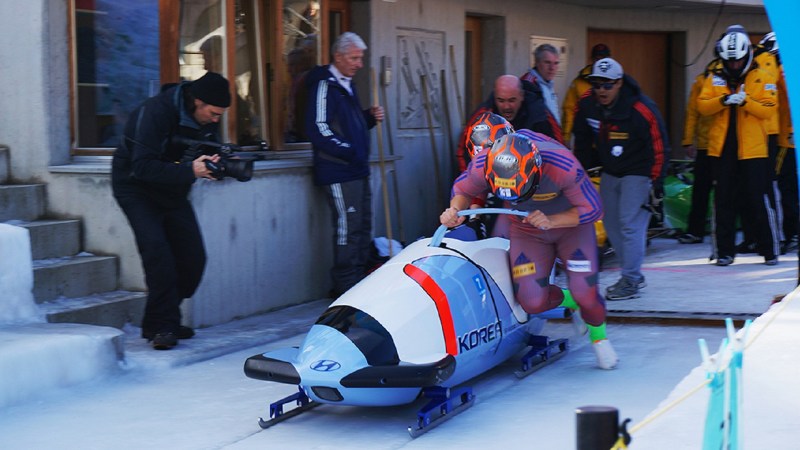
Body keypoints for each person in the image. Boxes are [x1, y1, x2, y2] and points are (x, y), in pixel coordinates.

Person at [440, 131, 617, 369]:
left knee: (586, 293)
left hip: (571, 228)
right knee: (532, 301)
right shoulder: (483, 163)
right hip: (528, 229)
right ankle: (570, 300)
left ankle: (599, 336)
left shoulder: (561, 165)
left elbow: (594, 209)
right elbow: (463, 191)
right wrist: (454, 211)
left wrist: (553, 220)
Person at [111, 71, 231, 350]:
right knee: (158, 252)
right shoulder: (155, 112)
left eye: (220, 115)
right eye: (213, 114)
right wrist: (191, 170)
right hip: (135, 186)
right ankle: (162, 326)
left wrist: (219, 164)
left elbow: (206, 152)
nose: (216, 120)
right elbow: (142, 166)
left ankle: (163, 319)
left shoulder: (206, 118)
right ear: (197, 102)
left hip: (172, 189)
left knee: (193, 258)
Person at [573, 58, 668, 301]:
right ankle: (633, 274)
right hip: (611, 170)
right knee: (612, 225)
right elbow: (581, 139)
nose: (602, 90)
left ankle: (631, 279)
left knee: (629, 224)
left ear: (619, 83)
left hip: (639, 170)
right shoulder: (586, 104)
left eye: (608, 85)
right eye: (597, 84)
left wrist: (656, 183)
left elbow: (659, 145)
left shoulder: (641, 109)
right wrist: (578, 175)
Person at [304, 32, 384, 298]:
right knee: (347, 227)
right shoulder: (324, 85)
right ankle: (344, 286)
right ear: (338, 57)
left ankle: (358, 281)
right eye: (354, 58)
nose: (359, 63)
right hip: (338, 170)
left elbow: (347, 125)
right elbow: (318, 127)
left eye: (360, 58)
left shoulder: (347, 84)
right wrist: (349, 151)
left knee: (362, 225)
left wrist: (368, 118)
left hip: (356, 168)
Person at [697, 27, 779, 267]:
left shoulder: (762, 76)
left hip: (754, 151)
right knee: (723, 201)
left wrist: (747, 102)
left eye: (738, 61)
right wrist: (723, 100)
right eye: (729, 61)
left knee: (758, 200)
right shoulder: (715, 77)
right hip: (722, 150)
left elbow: (768, 109)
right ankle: (724, 252)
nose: (734, 65)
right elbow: (702, 106)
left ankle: (769, 250)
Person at [456, 74, 562, 173]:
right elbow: (463, 151)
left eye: (512, 100)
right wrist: (471, 182)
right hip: (493, 181)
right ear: (495, 97)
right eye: (501, 101)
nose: (507, 107)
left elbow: (559, 150)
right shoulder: (482, 116)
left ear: (522, 96)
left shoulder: (540, 115)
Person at [676, 62, 716, 245]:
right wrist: (687, 140)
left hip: (730, 148)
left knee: (732, 193)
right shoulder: (702, 80)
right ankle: (695, 231)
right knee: (700, 191)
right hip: (705, 146)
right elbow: (692, 113)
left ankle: (741, 235)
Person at [561, 43, 611, 146]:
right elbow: (569, 110)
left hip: (608, 140)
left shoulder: (615, 82)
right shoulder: (578, 82)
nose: (600, 63)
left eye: (604, 59)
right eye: (597, 59)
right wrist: (566, 136)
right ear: (592, 60)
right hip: (585, 140)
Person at [521, 44, 561, 126]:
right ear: (537, 63)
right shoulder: (528, 85)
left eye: (556, 63)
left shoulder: (547, 82)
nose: (552, 68)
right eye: (547, 62)